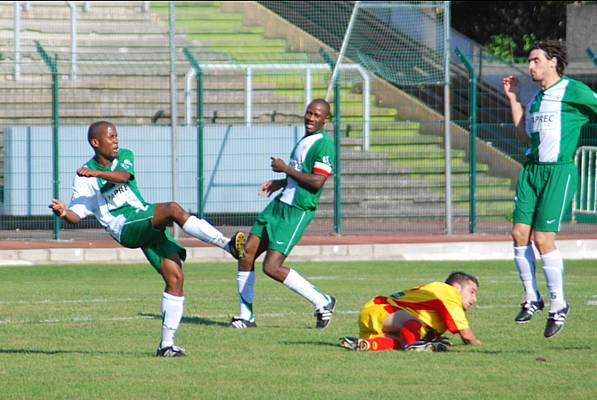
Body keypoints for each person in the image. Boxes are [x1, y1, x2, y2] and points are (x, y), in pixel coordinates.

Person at [49, 121, 246, 357]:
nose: (116, 141)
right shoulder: (84, 177)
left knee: (175, 278)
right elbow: (76, 214)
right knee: (172, 209)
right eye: (111, 137)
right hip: (124, 226)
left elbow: (123, 176)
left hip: (143, 220)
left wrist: (98, 173)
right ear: (95, 142)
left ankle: (166, 345)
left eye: (116, 136)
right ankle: (227, 245)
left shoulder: (123, 156)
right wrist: (63, 213)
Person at [502, 40, 597, 338]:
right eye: (529, 61)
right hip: (531, 171)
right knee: (519, 234)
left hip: (558, 172)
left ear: (553, 61)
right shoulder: (537, 99)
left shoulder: (574, 90)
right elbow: (522, 137)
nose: (530, 66)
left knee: (543, 239)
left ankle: (558, 304)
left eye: (535, 60)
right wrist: (514, 98)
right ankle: (532, 298)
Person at [230, 99, 336, 329]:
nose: (310, 118)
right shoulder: (306, 139)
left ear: (325, 119)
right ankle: (245, 316)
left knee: (272, 267)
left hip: (296, 211)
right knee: (246, 254)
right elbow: (300, 174)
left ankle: (323, 301)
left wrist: (285, 169)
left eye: (316, 115)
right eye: (308, 113)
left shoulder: (325, 144)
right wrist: (280, 182)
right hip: (278, 206)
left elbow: (317, 182)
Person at [339, 272, 481, 352]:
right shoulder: (448, 291)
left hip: (383, 320)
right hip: (381, 308)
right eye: (472, 292)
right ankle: (414, 346)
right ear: (456, 287)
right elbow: (466, 335)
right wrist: (478, 344)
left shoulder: (444, 307)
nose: (474, 299)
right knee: (413, 325)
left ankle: (366, 344)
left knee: (401, 341)